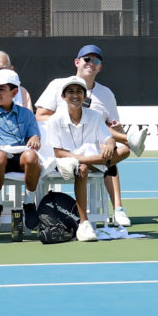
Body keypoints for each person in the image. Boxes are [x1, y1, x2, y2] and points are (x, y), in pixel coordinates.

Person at [34, 45, 146, 228]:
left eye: (96, 61)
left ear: (100, 67)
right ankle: (129, 141)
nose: (90, 63)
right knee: (109, 155)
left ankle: (118, 209)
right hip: (62, 144)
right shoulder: (57, 85)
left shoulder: (106, 94)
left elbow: (110, 124)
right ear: (77, 62)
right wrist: (69, 118)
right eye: (87, 59)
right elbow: (40, 116)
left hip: (94, 145)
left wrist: (113, 132)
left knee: (116, 150)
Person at [45, 76, 129, 242]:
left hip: (90, 159)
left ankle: (89, 162)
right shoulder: (55, 119)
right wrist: (81, 159)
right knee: (82, 168)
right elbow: (58, 152)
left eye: (79, 92)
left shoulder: (95, 116)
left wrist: (110, 144)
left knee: (125, 149)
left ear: (85, 96)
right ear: (63, 96)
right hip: (65, 161)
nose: (75, 95)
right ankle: (84, 224)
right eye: (70, 92)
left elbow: (108, 138)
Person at [0, 68, 45, 231]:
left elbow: (35, 138)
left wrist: (35, 139)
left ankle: (29, 203)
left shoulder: (27, 114)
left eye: (1, 89)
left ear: (14, 92)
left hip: (21, 157)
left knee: (31, 156)